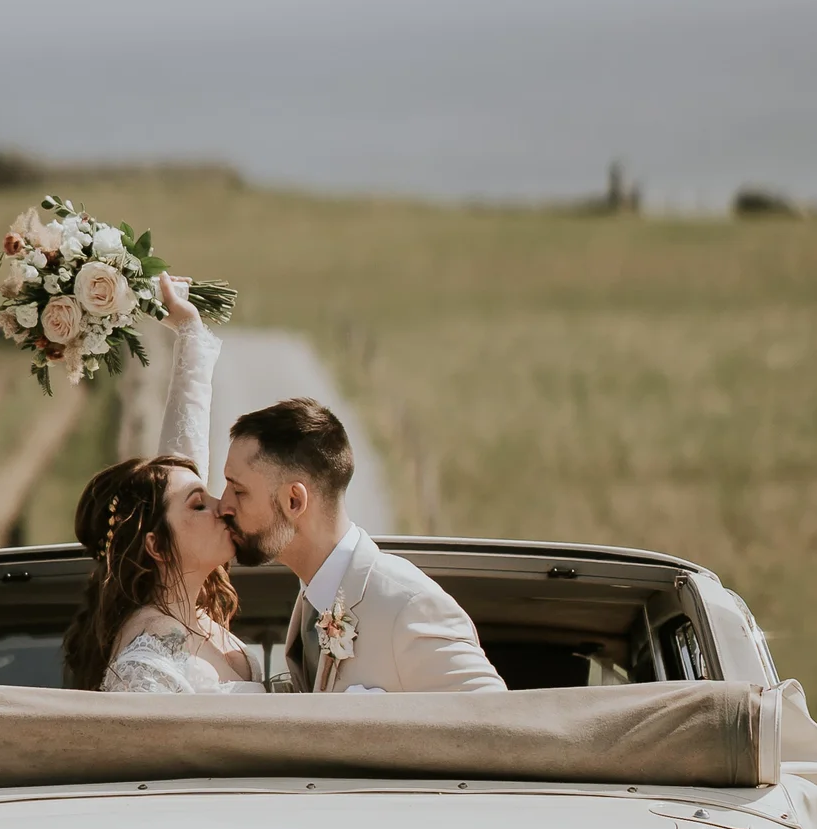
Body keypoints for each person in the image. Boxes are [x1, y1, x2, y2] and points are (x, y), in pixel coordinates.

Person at [218, 398, 503, 693]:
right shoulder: (311, 602)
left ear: (294, 501)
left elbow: (495, 724)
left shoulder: (408, 607)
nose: (223, 505)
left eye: (238, 490)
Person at [62, 279, 257, 692]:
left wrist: (190, 335)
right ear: (156, 545)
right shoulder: (145, 664)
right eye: (199, 506)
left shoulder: (197, 615)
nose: (222, 506)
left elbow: (182, 463)